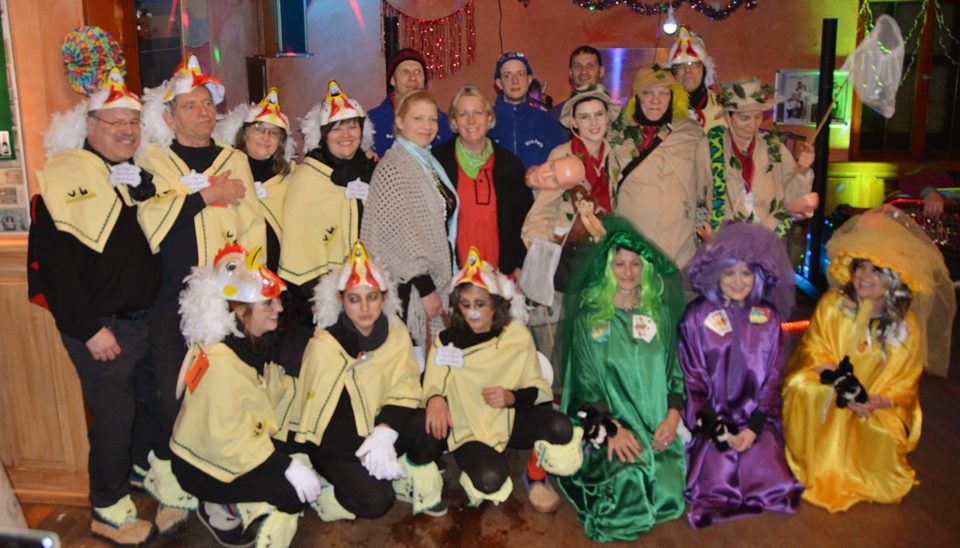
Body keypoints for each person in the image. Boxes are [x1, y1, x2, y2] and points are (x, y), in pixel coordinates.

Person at [28, 68, 159, 545]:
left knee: (152, 404)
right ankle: (107, 508)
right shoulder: (65, 177)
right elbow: (55, 271)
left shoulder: (132, 174)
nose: (127, 130)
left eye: (133, 122)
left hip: (141, 321)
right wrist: (88, 329)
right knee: (114, 418)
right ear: (90, 125)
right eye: (115, 121)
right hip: (102, 328)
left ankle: (138, 475)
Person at [137, 54, 265, 534]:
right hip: (170, 300)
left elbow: (253, 229)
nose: (203, 112)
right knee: (175, 397)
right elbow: (149, 221)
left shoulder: (235, 160)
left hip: (229, 302)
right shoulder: (154, 161)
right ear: (170, 117)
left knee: (225, 395)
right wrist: (205, 197)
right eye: (190, 106)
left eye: (207, 104)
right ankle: (177, 488)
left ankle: (224, 488)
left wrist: (251, 297)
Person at [783, 206, 955, 512]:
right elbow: (814, 351)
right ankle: (820, 468)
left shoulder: (906, 326)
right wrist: (842, 386)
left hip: (875, 402)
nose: (863, 276)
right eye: (860, 267)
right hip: (830, 385)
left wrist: (874, 401)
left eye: (875, 270)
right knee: (805, 390)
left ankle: (858, 471)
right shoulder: (833, 305)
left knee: (881, 436)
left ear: (893, 277)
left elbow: (904, 382)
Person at [284, 241, 446, 519]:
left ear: (384, 297)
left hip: (378, 426)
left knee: (436, 427)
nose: (364, 307)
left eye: (372, 297)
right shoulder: (324, 345)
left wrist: (385, 431)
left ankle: (405, 470)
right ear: (340, 300)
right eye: (354, 299)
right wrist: (363, 452)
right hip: (337, 442)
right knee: (377, 502)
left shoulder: (396, 332)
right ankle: (326, 496)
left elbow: (406, 384)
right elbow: (317, 417)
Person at [172, 242, 314, 547]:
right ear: (239, 309)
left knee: (305, 455)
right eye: (268, 303)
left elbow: (268, 394)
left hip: (237, 444)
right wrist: (286, 465)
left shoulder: (251, 344)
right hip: (203, 466)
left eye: (277, 300)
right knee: (292, 495)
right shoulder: (221, 364)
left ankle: (247, 499)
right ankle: (221, 506)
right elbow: (229, 441)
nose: (279, 308)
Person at [419, 248, 583, 509]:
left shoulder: (515, 335)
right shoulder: (447, 341)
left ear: (496, 303)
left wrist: (511, 398)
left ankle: (535, 473)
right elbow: (432, 385)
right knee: (490, 480)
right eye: (465, 305)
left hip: (510, 419)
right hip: (470, 429)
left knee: (561, 427)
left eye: (480, 304)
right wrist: (435, 398)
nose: (473, 312)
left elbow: (538, 389)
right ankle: (475, 468)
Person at [558, 216, 687, 543]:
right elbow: (584, 385)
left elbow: (674, 374)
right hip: (609, 428)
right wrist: (610, 429)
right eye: (619, 264)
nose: (628, 272)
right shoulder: (590, 319)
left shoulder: (658, 314)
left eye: (635, 264)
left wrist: (672, 418)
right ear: (607, 269)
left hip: (655, 429)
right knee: (630, 485)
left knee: (670, 497)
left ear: (645, 269)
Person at [679, 222, 803, 528]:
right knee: (715, 483)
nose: (738, 282)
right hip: (712, 424)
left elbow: (773, 378)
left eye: (746, 273)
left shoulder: (769, 318)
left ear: (758, 275)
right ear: (716, 274)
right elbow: (692, 381)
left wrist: (755, 426)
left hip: (754, 422)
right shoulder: (696, 317)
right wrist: (717, 427)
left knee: (774, 482)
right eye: (729, 273)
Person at [361, 90, 459, 346]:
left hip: (432, 277)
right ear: (400, 121)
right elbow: (399, 238)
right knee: (414, 356)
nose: (427, 126)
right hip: (410, 286)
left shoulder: (426, 162)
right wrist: (426, 290)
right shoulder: (393, 168)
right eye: (418, 118)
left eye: (432, 119)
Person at [611, 64, 710, 270]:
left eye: (663, 93)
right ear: (637, 97)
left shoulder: (691, 133)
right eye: (648, 93)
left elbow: (707, 186)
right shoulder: (617, 134)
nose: (655, 100)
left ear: (672, 97)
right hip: (631, 250)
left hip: (679, 249)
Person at [432, 85, 531, 275]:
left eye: (478, 113)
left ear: (489, 118)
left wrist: (520, 264)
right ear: (454, 121)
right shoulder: (437, 163)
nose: (471, 121)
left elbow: (524, 221)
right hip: (452, 276)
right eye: (463, 114)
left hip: (501, 275)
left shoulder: (510, 165)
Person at [703, 78, 814, 237]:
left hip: (768, 238)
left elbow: (792, 202)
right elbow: (697, 196)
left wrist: (802, 171)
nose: (752, 125)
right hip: (726, 240)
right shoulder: (709, 148)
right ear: (728, 116)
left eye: (757, 117)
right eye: (744, 118)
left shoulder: (775, 149)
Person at [523, 84, 624, 247]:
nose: (594, 122)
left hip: (599, 243)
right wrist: (540, 253)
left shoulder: (612, 156)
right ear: (574, 122)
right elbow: (543, 209)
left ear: (608, 117)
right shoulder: (562, 156)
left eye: (599, 114)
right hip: (567, 243)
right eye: (584, 117)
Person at [213, 87, 296, 274]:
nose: (266, 137)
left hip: (278, 271)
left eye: (273, 133)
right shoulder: (225, 169)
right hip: (235, 268)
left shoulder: (290, 175)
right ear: (245, 133)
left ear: (280, 141)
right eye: (259, 129)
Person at [367, 48, 453, 156]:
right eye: (405, 72)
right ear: (392, 80)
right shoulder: (371, 122)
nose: (412, 78)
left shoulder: (443, 123)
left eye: (418, 72)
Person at [488, 52, 567, 168]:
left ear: (529, 80)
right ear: (499, 83)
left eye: (520, 74)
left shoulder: (547, 122)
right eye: (507, 75)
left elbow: (558, 166)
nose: (515, 81)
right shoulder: (485, 121)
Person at [665, 26, 724, 130]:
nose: (687, 70)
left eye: (693, 64)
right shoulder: (662, 109)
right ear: (672, 73)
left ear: (705, 69)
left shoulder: (723, 107)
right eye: (680, 66)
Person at [550, 45, 606, 121]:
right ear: (570, 73)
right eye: (577, 66)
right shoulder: (555, 116)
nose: (583, 71)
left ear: (601, 71)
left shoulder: (614, 115)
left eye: (590, 66)